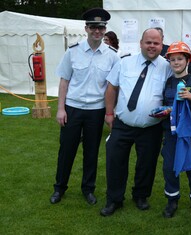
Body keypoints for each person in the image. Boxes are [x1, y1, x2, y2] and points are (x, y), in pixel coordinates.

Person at [49, 8, 120, 205]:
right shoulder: (72, 51)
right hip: (73, 109)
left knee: (91, 152)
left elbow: (113, 87)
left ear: (105, 29)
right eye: (94, 27)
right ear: (86, 28)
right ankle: (59, 188)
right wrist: (60, 109)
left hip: (96, 111)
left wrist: (110, 111)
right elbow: (64, 82)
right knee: (66, 150)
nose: (97, 31)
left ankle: (88, 189)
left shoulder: (112, 55)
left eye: (101, 27)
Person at [100, 28, 172, 216]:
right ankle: (114, 199)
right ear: (141, 43)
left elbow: (174, 94)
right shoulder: (125, 63)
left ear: (162, 44)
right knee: (115, 161)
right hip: (122, 124)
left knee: (147, 164)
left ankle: (141, 195)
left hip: (151, 127)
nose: (152, 46)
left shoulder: (168, 67)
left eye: (156, 43)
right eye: (148, 42)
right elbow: (111, 88)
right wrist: (109, 113)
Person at [161, 42, 191, 219]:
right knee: (169, 167)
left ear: (188, 60)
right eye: (172, 60)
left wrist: (190, 96)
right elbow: (167, 105)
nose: (176, 62)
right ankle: (172, 201)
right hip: (172, 134)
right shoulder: (169, 82)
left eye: (180, 58)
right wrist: (165, 111)